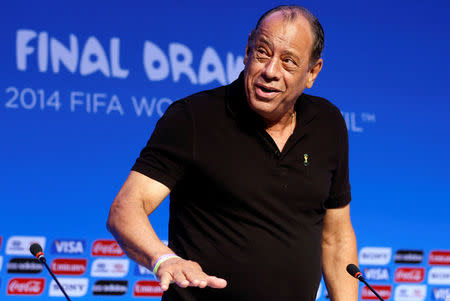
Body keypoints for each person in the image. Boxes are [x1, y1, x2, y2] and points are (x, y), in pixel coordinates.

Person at [107, 5, 358, 301]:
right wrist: (164, 259)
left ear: (312, 72)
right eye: (263, 52)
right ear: (247, 49)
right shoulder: (194, 118)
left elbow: (337, 237)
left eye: (289, 62)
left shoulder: (327, 124)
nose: (270, 71)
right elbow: (126, 209)